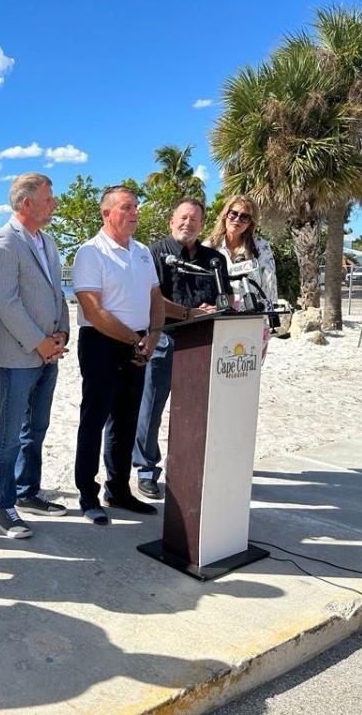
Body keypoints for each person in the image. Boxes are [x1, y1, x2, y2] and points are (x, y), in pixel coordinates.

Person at [72, 186, 164, 525]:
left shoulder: (141, 252)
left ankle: (118, 490)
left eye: (136, 206)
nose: (135, 212)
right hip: (101, 344)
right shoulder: (91, 253)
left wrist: (152, 336)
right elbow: (93, 310)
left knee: (126, 420)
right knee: (94, 421)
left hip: (139, 343)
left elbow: (155, 296)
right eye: (127, 207)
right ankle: (87, 494)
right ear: (107, 213)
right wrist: (133, 340)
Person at [0, 173, 70, 538]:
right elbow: (6, 302)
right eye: (48, 198)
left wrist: (62, 333)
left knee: (36, 428)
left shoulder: (47, 241)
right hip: (19, 356)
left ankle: (27, 492)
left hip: (49, 352)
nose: (54, 204)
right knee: (10, 433)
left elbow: (57, 292)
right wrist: (39, 342)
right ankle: (2, 505)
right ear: (27, 203)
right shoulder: (2, 242)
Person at [132, 198, 228, 499]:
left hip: (203, 341)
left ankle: (190, 468)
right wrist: (188, 313)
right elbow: (152, 299)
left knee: (196, 410)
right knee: (151, 408)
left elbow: (225, 297)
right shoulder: (154, 253)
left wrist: (216, 308)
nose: (188, 223)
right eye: (183, 218)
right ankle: (146, 470)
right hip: (165, 338)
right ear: (172, 221)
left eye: (195, 219)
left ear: (202, 225)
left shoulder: (214, 259)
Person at [203, 195, 278, 359]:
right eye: (234, 213)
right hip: (219, 324)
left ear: (250, 222)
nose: (237, 219)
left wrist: (268, 319)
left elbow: (270, 286)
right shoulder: (208, 247)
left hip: (254, 323)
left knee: (247, 376)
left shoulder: (261, 247)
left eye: (244, 217)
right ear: (225, 214)